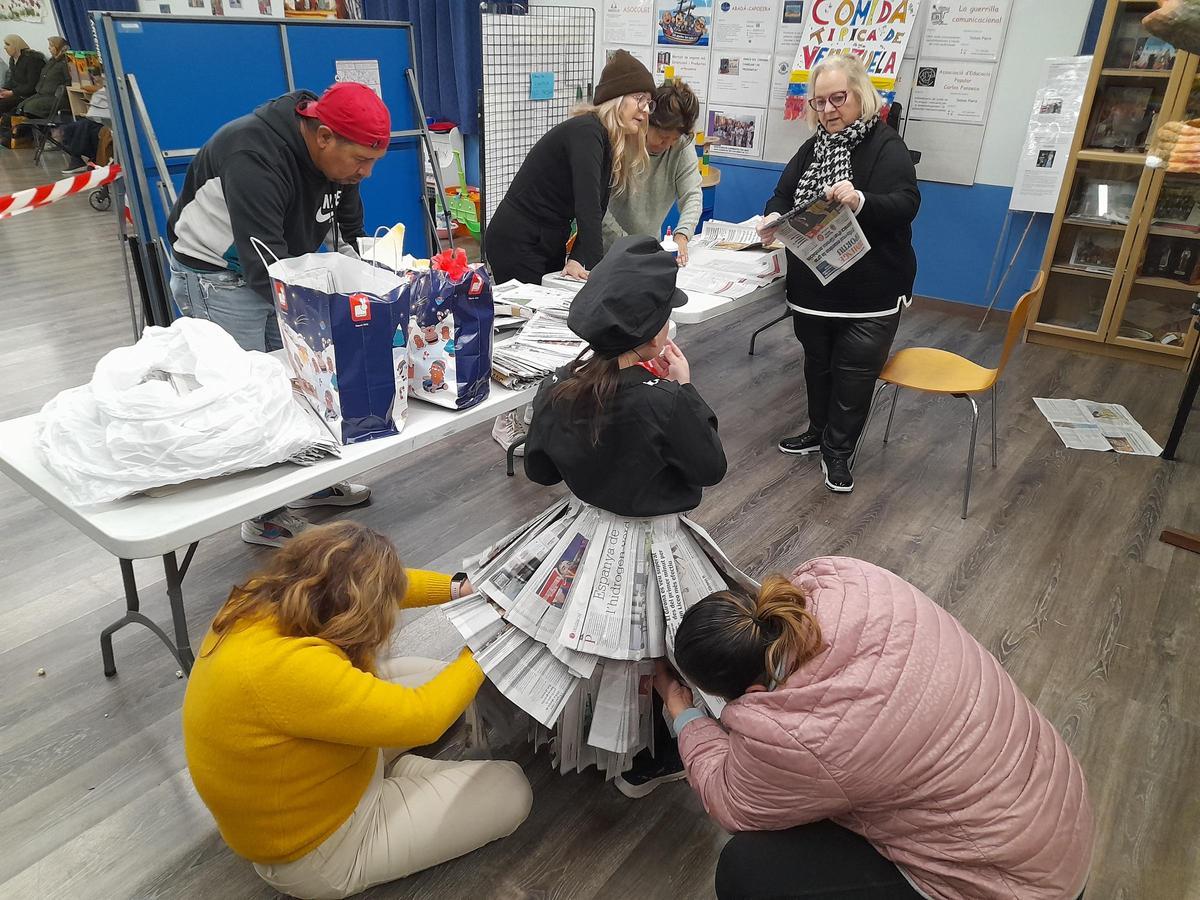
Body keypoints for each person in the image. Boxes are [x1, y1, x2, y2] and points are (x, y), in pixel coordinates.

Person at [468, 236, 739, 798]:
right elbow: (710, 467)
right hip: (653, 542)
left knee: (581, 640)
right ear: (657, 334)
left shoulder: (557, 388)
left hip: (583, 530)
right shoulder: (665, 400)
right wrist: (686, 388)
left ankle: (576, 729)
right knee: (656, 644)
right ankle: (652, 754)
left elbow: (540, 470)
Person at [657, 557, 1094, 900]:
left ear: (750, 690)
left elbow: (730, 801)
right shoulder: (844, 580)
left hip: (1007, 884)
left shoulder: (796, 734)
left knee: (746, 871)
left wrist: (684, 715)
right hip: (1052, 815)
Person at [182, 521, 533, 900]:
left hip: (311, 778)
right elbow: (425, 718)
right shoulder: (290, 670)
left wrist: (458, 589)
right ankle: (401, 781)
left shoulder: (268, 595)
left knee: (440, 681)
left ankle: (401, 777)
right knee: (511, 789)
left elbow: (379, 585)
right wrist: (485, 643)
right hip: (318, 852)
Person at [167, 82, 389, 547]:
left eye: (373, 162)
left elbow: (346, 223)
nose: (366, 172)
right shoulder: (253, 153)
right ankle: (264, 516)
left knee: (302, 384)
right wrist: (329, 315)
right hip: (220, 275)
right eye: (360, 160)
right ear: (323, 136)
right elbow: (261, 263)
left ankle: (309, 482)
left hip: (281, 267)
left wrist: (368, 275)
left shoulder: (339, 162)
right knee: (248, 394)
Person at [758, 55, 920, 494]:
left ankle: (838, 451)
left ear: (860, 95)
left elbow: (906, 204)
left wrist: (861, 200)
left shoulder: (886, 146)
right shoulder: (812, 148)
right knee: (817, 366)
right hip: (814, 289)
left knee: (854, 374)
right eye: (819, 101)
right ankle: (818, 432)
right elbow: (781, 195)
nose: (828, 109)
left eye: (838, 98)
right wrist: (772, 219)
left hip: (871, 292)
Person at [488, 49, 654, 454]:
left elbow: (595, 208)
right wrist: (588, 264)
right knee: (526, 335)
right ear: (616, 99)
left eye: (649, 103)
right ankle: (507, 420)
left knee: (544, 329)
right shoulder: (586, 131)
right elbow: (587, 209)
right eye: (639, 99)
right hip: (517, 240)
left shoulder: (605, 141)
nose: (646, 110)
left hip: (544, 239)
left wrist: (581, 258)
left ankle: (536, 414)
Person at [602, 78, 703, 266]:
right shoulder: (620, 142)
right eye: (663, 137)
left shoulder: (680, 146)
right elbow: (598, 207)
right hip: (606, 252)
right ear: (647, 120)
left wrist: (682, 236)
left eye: (674, 139)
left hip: (647, 251)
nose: (668, 145)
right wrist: (627, 245)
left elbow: (692, 195)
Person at [0, 35, 45, 121]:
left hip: (29, 95)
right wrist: (4, 89)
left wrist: (12, 92)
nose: (5, 47)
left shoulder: (32, 60)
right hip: (17, 93)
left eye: (8, 44)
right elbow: (12, 80)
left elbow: (32, 85)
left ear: (16, 45)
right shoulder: (12, 59)